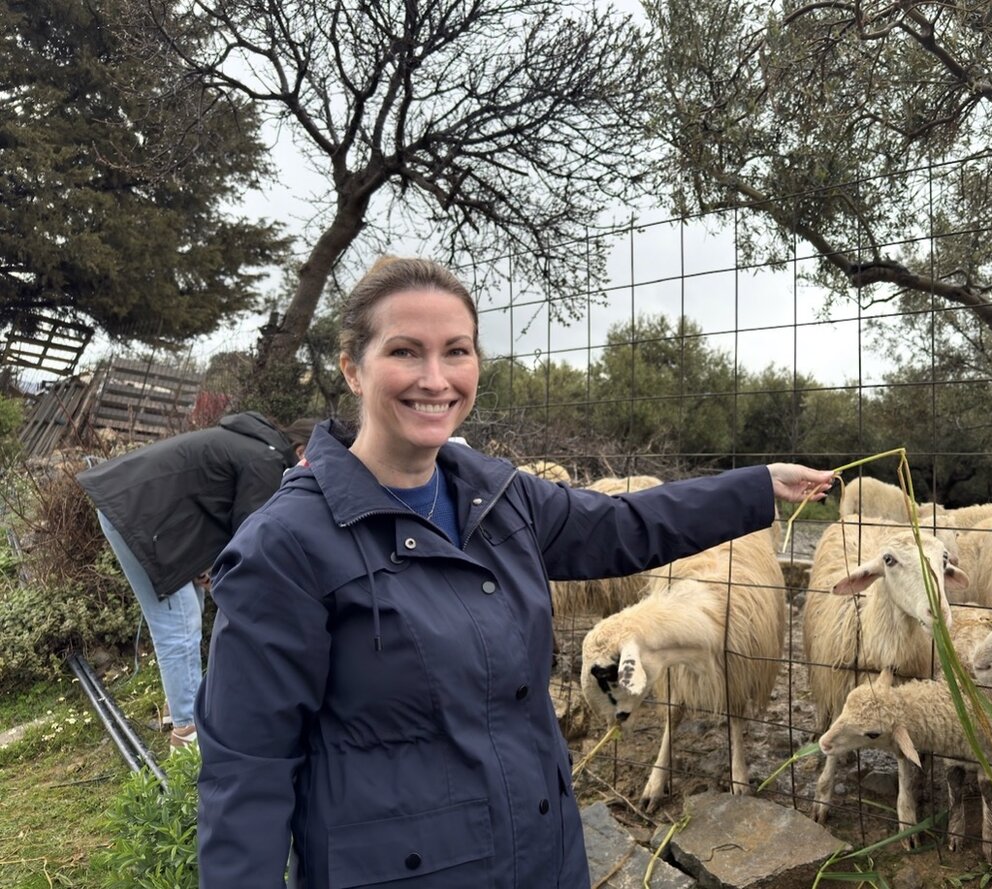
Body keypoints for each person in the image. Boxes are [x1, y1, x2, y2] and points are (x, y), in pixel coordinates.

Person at [195, 257, 834, 888]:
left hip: (543, 857)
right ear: (352, 370)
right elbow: (246, 775)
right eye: (405, 352)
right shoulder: (285, 547)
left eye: (456, 351)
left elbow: (625, 524)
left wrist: (755, 486)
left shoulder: (500, 496)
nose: (435, 379)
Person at [76, 411, 303, 749]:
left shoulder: (255, 446)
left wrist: (211, 568)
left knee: (183, 617)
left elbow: (211, 504)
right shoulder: (265, 461)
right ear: (302, 451)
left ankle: (180, 706)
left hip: (147, 512)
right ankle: (188, 735)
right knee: (178, 623)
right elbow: (248, 534)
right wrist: (229, 575)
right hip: (141, 515)